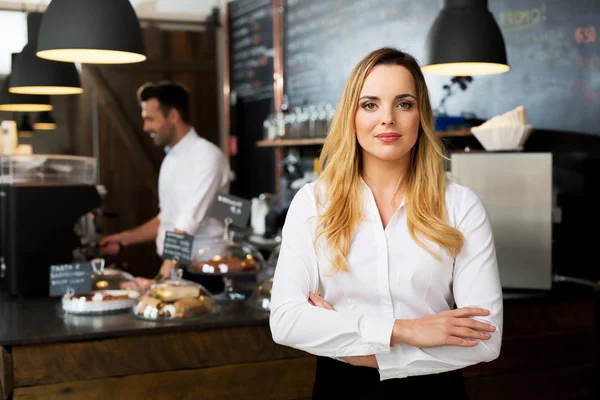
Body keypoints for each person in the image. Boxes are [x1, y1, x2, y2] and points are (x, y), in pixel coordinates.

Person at [269, 47, 503, 399]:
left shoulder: (460, 205)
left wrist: (351, 345)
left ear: (420, 115)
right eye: (370, 104)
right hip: (339, 391)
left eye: (404, 103)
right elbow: (287, 322)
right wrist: (406, 331)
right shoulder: (314, 203)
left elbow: (485, 340)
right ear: (352, 115)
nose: (387, 119)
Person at [99, 81, 230, 293]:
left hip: (201, 273)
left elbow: (187, 223)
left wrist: (160, 280)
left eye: (150, 119)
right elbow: (167, 218)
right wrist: (123, 239)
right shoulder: (171, 158)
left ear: (173, 116)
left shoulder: (207, 157)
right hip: (174, 267)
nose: (145, 127)